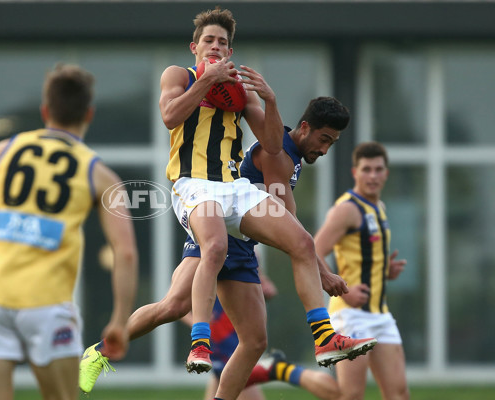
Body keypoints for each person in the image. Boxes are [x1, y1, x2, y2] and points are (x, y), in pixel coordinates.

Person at [80, 94, 376, 400]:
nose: (325, 149)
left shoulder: (289, 154)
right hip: (220, 235)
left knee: (252, 340)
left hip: (241, 246)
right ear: (304, 128)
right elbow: (289, 221)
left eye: (332, 143)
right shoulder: (277, 155)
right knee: (176, 307)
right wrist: (324, 273)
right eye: (324, 139)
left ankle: (102, 351)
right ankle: (101, 351)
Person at [0, 64, 138, 400]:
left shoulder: (5, 150)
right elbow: (125, 252)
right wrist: (119, 320)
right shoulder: (97, 172)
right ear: (89, 114)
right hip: (47, 305)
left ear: (45, 111)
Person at [314, 142, 410, 400]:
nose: (373, 176)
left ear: (386, 173)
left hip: (380, 314)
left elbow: (361, 257)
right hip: (351, 317)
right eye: (366, 169)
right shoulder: (347, 209)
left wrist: (384, 271)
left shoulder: (379, 207)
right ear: (355, 172)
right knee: (352, 395)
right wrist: (344, 291)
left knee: (399, 393)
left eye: (378, 169)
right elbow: (312, 249)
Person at [183, 272, 340, 400]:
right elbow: (178, 299)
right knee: (220, 379)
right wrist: (196, 322)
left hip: (231, 336)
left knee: (231, 378)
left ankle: (278, 369)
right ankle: (277, 368)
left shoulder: (230, 244)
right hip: (217, 337)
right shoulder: (210, 247)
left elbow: (262, 282)